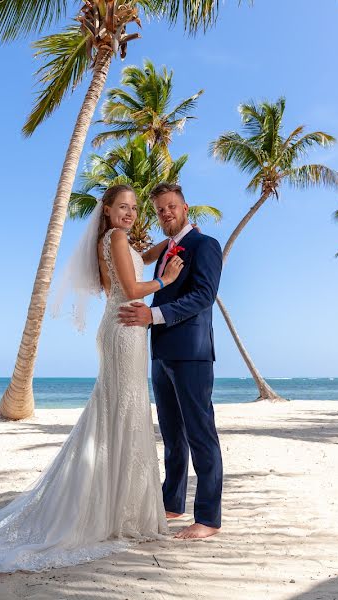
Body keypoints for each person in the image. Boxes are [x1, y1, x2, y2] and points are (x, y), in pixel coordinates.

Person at [0, 184, 184, 572]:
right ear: (106, 210)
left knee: (115, 414)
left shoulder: (111, 241)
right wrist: (166, 280)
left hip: (118, 327)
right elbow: (132, 287)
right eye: (122, 207)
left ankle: (115, 506)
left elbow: (135, 261)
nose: (130, 213)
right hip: (126, 329)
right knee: (123, 412)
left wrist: (165, 245)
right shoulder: (118, 237)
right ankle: (117, 511)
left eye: (135, 208)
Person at [119, 182, 224, 540]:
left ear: (185, 207)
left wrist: (154, 316)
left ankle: (208, 519)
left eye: (171, 206)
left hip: (192, 354)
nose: (166, 213)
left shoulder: (205, 245)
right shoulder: (165, 252)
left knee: (200, 434)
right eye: (161, 209)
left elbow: (204, 296)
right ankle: (173, 502)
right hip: (161, 352)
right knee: (172, 437)